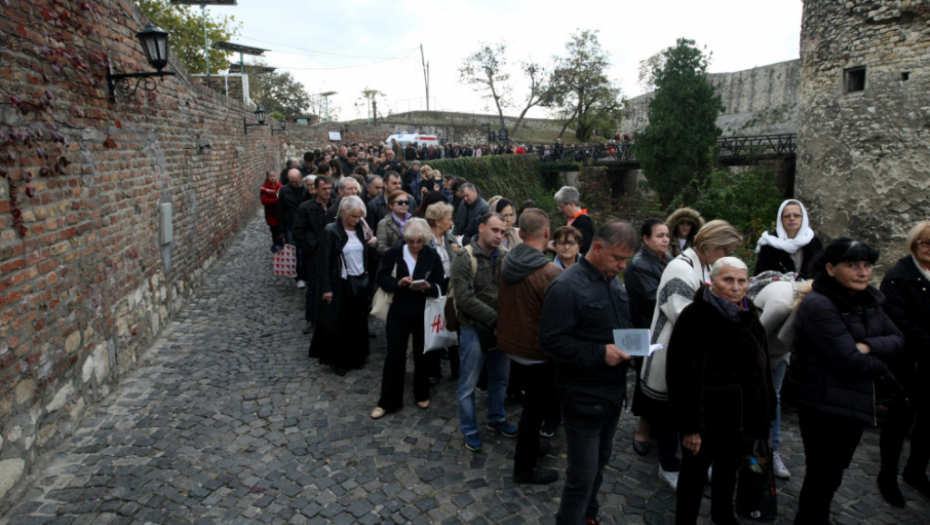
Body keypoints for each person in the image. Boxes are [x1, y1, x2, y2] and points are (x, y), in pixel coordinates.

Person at [786, 238, 904, 524]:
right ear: (831, 268)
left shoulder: (870, 299)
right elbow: (848, 361)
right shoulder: (819, 304)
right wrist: (877, 355)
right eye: (853, 265)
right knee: (822, 474)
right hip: (822, 404)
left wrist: (867, 346)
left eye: (866, 265)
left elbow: (899, 340)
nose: (863, 272)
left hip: (852, 400)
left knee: (833, 474)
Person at [539, 220, 638, 525]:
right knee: (581, 476)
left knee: (600, 464)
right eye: (617, 259)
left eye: (626, 260)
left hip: (612, 394)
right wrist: (600, 353)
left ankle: (589, 517)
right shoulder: (567, 285)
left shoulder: (613, 281)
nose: (622, 266)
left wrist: (635, 343)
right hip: (582, 395)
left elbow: (614, 326)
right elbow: (551, 341)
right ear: (597, 248)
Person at [667, 257, 776, 525]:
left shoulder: (749, 316)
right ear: (712, 282)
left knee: (729, 473)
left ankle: (723, 515)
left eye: (742, 281)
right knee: (693, 477)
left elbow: (763, 369)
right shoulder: (695, 317)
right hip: (706, 419)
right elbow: (680, 375)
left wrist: (765, 413)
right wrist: (690, 425)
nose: (736, 287)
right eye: (728, 280)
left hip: (741, 419)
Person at [641, 220, 742, 491]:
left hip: (694, 353)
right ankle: (668, 464)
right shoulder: (680, 268)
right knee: (669, 410)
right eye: (725, 250)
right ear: (709, 246)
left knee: (686, 408)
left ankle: (691, 459)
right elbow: (685, 315)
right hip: (672, 351)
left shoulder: (708, 265)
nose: (728, 256)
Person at [498, 208, 562, 485]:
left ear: (520, 233)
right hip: (538, 351)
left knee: (531, 409)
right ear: (547, 233)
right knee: (534, 411)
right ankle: (524, 468)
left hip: (514, 345)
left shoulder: (508, 261)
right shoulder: (550, 272)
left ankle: (533, 446)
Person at [452, 212, 515, 452]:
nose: (499, 235)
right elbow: (465, 299)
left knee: (500, 379)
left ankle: (496, 419)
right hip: (472, 328)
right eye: (495, 230)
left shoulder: (505, 257)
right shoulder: (464, 258)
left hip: (500, 329)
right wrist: (497, 320)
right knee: (468, 383)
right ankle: (469, 430)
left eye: (503, 231)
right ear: (481, 228)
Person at [371, 219, 445, 419]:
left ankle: (421, 393)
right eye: (411, 241)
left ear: (425, 239)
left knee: (422, 356)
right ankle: (388, 401)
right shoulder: (393, 254)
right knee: (394, 355)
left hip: (423, 311)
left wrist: (429, 287)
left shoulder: (432, 255)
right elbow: (382, 279)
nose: (415, 245)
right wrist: (399, 283)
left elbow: (442, 284)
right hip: (398, 311)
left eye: (419, 241)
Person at [878, 221, 930, 506]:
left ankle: (915, 471)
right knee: (898, 422)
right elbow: (900, 322)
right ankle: (887, 476)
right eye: (926, 243)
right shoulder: (899, 277)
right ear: (915, 244)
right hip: (907, 362)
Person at [750, 275, 812, 480]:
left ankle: (771, 450)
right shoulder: (780, 306)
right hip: (756, 347)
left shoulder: (807, 315)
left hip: (778, 351)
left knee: (773, 398)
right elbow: (754, 338)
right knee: (746, 395)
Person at [308, 196, 378, 376]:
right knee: (341, 323)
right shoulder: (331, 231)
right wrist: (327, 289)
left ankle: (357, 356)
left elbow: (366, 253)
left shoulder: (362, 229)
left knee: (358, 321)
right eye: (354, 216)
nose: (357, 220)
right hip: (340, 283)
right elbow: (324, 262)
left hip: (359, 281)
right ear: (344, 212)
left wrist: (372, 243)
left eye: (360, 217)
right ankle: (340, 360)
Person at [625, 219, 670, 456]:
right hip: (643, 329)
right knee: (646, 378)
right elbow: (654, 299)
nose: (665, 240)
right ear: (645, 239)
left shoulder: (667, 260)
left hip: (658, 329)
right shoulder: (640, 264)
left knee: (659, 377)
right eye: (659, 235)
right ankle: (642, 429)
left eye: (667, 235)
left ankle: (654, 425)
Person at [293, 176, 334, 334]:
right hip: (315, 253)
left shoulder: (335, 204)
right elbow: (298, 232)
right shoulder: (306, 207)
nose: (327, 192)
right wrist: (311, 247)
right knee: (314, 286)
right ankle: (311, 318)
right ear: (316, 189)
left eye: (330, 188)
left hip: (333, 251)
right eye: (324, 189)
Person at [425, 201, 461, 381]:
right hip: (433, 289)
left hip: (451, 288)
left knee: (454, 327)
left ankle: (457, 370)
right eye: (448, 219)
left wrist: (458, 251)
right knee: (434, 326)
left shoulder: (450, 237)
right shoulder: (425, 239)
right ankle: (433, 372)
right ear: (437, 221)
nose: (451, 221)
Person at [754, 199, 823, 279]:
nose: (792, 218)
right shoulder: (770, 244)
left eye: (796, 215)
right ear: (781, 219)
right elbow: (760, 275)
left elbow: (821, 272)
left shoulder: (814, 243)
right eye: (787, 216)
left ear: (803, 218)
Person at [276, 169, 311, 288]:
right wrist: (281, 230)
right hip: (291, 225)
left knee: (305, 251)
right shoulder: (284, 191)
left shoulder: (307, 189)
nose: (294, 184)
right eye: (291, 182)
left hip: (306, 225)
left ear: (301, 178)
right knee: (295, 251)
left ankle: (306, 274)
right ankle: (299, 276)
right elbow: (279, 211)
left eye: (296, 181)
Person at [554, 186, 594, 254]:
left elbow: (584, 246)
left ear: (571, 204)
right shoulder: (570, 220)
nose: (560, 210)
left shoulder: (584, 221)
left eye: (561, 207)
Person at [376, 190, 411, 258]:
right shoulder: (384, 223)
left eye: (406, 202)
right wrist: (400, 253)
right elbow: (381, 248)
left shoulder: (414, 221)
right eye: (400, 202)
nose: (404, 205)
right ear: (391, 205)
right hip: (392, 264)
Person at [259, 171, 282, 248]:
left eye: (274, 176)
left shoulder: (280, 187)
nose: (273, 178)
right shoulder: (264, 188)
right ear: (267, 178)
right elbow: (264, 201)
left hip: (280, 215)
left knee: (281, 233)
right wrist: (277, 200)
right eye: (271, 176)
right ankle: (276, 249)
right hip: (271, 214)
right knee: (274, 232)